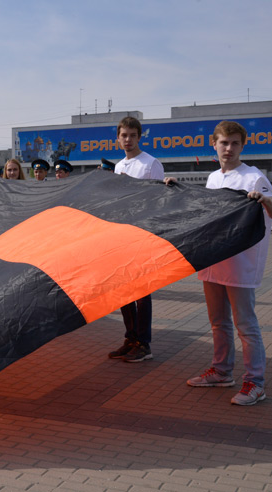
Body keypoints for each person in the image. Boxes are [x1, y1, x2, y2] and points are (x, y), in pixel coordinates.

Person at [167, 121, 272, 406]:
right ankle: (221, 371)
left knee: (246, 325)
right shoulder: (212, 178)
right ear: (214, 145)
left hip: (241, 264)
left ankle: (256, 383)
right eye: (224, 143)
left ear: (243, 145)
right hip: (213, 260)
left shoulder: (253, 177)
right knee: (218, 322)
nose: (229, 148)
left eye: (234, 143)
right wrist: (178, 190)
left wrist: (264, 200)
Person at [108, 116, 165, 363]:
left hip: (143, 234)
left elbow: (159, 200)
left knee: (142, 291)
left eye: (132, 135)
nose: (128, 140)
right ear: (118, 138)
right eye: (124, 135)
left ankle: (144, 343)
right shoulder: (118, 167)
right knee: (123, 290)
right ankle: (130, 338)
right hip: (122, 235)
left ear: (139, 137)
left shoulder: (151, 164)